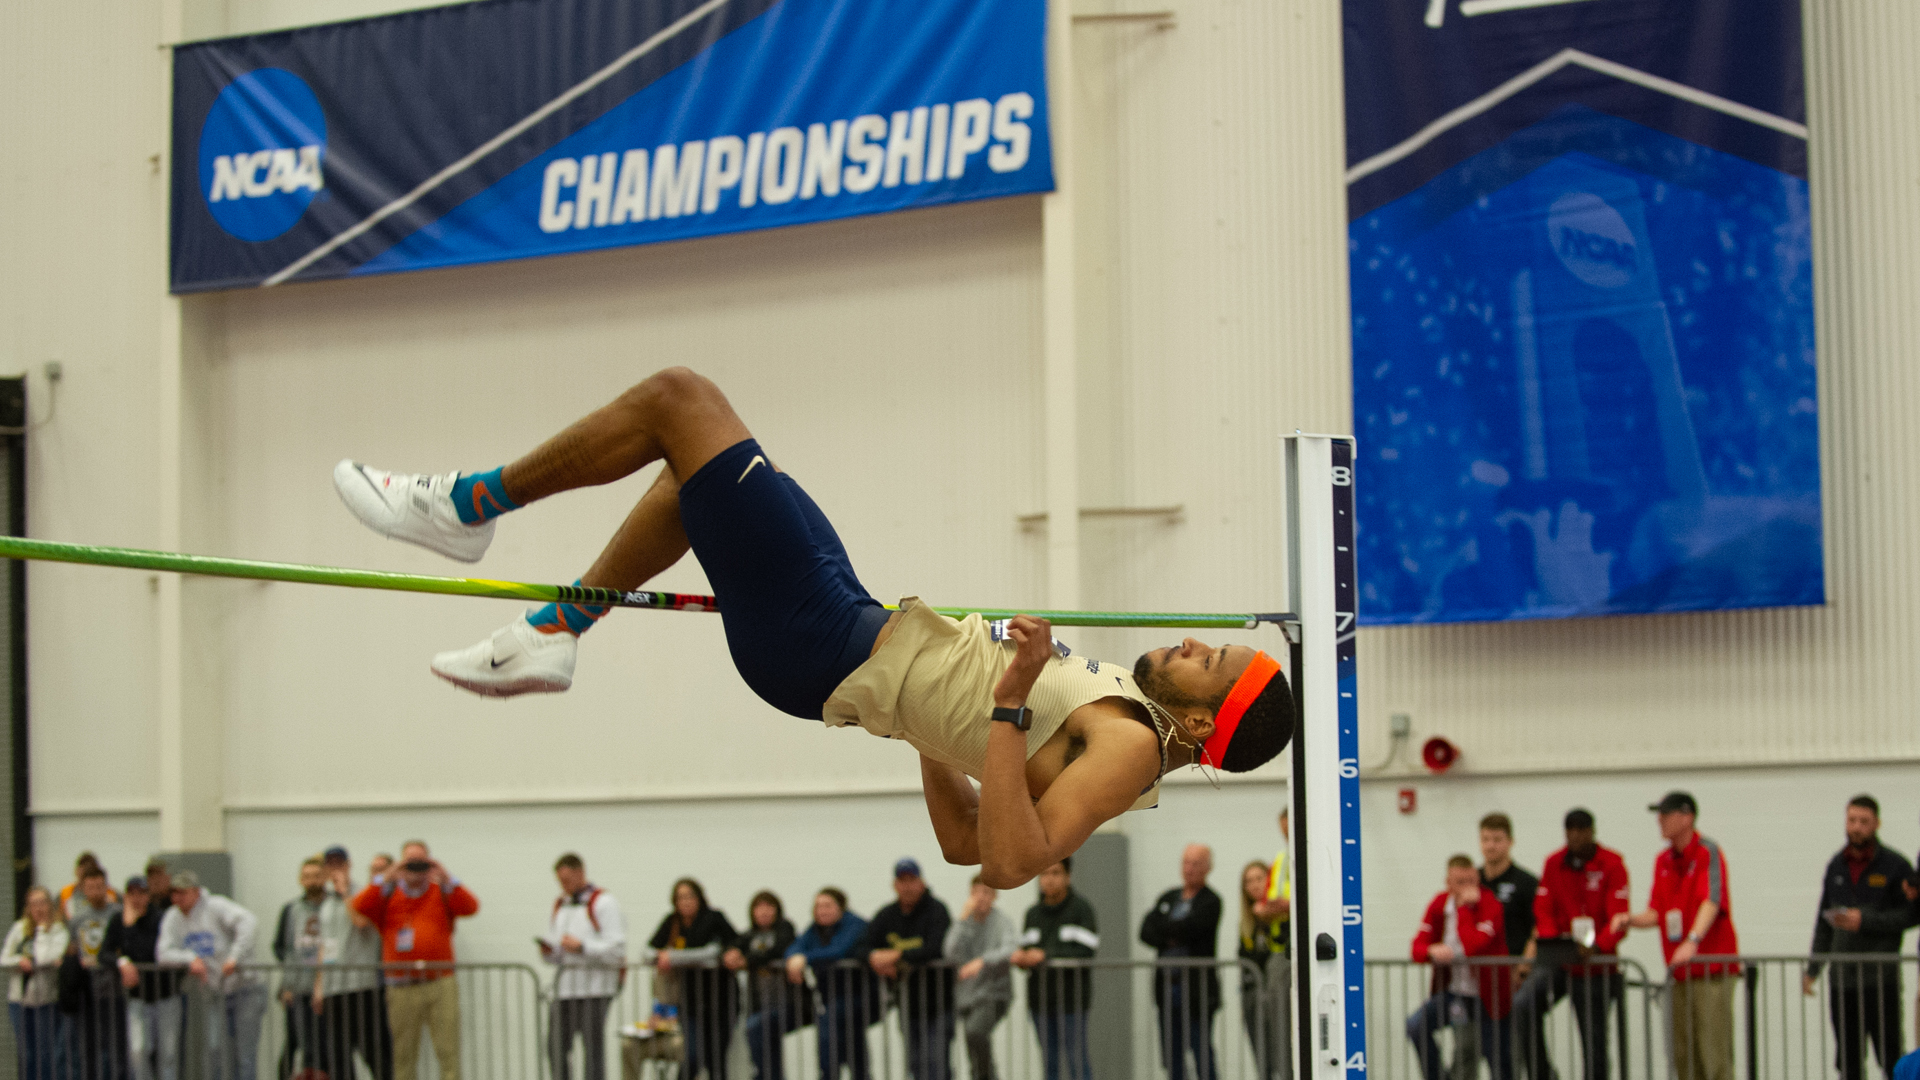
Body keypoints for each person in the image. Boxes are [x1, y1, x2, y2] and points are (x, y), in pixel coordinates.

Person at [333, 369, 1293, 885]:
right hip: (851, 627)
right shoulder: (1121, 720)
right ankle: (556, 631)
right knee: (693, 483)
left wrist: (999, 702)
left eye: (1216, 664)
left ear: (1206, 727)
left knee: (681, 400)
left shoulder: (1129, 749)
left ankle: (465, 505)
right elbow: (964, 838)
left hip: (820, 640)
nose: (1198, 644)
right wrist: (935, 724)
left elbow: (1005, 864)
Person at [1612, 792, 1740, 1080]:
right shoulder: (1663, 861)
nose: (1660, 820)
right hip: (1679, 972)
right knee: (1684, 1055)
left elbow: (1712, 900)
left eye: (1666, 814)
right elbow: (1657, 912)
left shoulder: (1708, 852)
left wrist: (1692, 940)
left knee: (1713, 1054)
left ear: (1686, 817)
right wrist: (1630, 920)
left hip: (1711, 970)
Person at [1512, 808, 1629, 1080]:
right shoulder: (1554, 863)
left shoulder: (1611, 864)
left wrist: (1597, 945)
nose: (1575, 836)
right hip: (1562, 960)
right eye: (1570, 830)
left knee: (1594, 1041)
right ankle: (1543, 1074)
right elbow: (1543, 908)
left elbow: (1618, 917)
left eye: (1581, 830)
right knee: (1524, 1004)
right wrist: (1557, 940)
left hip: (1596, 967)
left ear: (1591, 832)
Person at [1805, 795, 1916, 1080]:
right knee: (1848, 1058)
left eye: (1863, 822)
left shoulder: (1895, 866)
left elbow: (1911, 915)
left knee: (1890, 1054)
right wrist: (1814, 967)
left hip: (1881, 978)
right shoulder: (1835, 866)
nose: (1856, 827)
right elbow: (1823, 920)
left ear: (1876, 824)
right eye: (1852, 820)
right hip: (1843, 980)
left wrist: (1865, 921)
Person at [352, 840, 479, 1080]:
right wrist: (390, 874)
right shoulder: (388, 895)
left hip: (440, 984)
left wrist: (446, 877)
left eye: (421, 861)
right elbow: (360, 905)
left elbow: (470, 907)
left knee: (448, 1052)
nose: (416, 868)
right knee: (403, 1054)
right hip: (401, 986)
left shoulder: (441, 891)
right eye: (410, 861)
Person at [1406, 854, 1512, 1080]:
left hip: (1489, 997)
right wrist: (1430, 951)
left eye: (1471, 881)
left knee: (1497, 1057)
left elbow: (1474, 946)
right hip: (1457, 994)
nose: (1468, 888)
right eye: (1461, 882)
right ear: (1449, 883)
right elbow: (1417, 947)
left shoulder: (1489, 903)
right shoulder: (1439, 904)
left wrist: (1464, 910)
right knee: (1417, 1026)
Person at [158, 869, 268, 1080]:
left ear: (196, 892)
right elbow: (163, 953)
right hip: (215, 992)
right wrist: (189, 959)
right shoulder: (172, 917)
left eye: (183, 892)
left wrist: (234, 957)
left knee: (244, 1054)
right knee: (214, 1049)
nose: (177, 898)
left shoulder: (216, 906)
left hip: (246, 988)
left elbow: (249, 922)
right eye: (174, 893)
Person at [866, 858, 953, 1080]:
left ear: (921, 882)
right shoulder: (887, 915)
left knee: (936, 1064)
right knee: (915, 1064)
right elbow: (863, 944)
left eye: (912, 880)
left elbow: (936, 948)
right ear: (895, 885)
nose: (907, 886)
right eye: (902, 881)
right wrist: (874, 958)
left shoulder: (937, 910)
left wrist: (897, 956)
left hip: (939, 1004)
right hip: (907, 1004)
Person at [1142, 844, 1223, 1080]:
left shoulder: (1211, 901)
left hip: (1197, 992)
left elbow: (1193, 929)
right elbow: (1146, 931)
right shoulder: (1168, 897)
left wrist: (1165, 931)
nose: (1189, 868)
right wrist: (1173, 935)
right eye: (1186, 862)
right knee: (1171, 1057)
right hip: (1167, 990)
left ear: (1209, 867)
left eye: (1196, 863)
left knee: (1202, 1053)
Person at [543, 854, 626, 1080]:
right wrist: (549, 953)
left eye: (567, 880)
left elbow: (617, 949)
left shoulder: (603, 902)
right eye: (560, 881)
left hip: (595, 989)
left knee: (592, 1050)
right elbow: (559, 950)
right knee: (555, 1047)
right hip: (566, 989)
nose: (564, 886)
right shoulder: (561, 905)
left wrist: (583, 947)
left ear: (580, 873)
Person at [1014, 859, 1097, 1080]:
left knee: (1076, 1060)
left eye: (1055, 873)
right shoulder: (1032, 914)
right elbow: (1027, 948)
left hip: (1072, 1001)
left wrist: (1046, 955)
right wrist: (1022, 958)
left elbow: (1087, 951)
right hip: (1040, 1001)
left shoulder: (1081, 909)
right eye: (1044, 874)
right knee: (1049, 1062)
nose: (1049, 879)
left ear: (1068, 877)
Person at [648, 878, 736, 1080]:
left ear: (699, 898)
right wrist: (659, 957)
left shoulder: (714, 918)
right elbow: (649, 949)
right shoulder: (672, 922)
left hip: (721, 1001)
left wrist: (674, 957)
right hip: (690, 1002)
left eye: (690, 896)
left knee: (716, 1060)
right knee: (692, 1056)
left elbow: (714, 952)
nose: (686, 901)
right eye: (681, 897)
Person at [785, 888, 875, 1080]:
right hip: (831, 1000)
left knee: (840, 1048)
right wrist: (794, 957)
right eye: (818, 906)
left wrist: (805, 958)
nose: (822, 911)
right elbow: (796, 946)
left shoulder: (855, 925)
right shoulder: (815, 929)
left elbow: (838, 951)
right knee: (850, 1050)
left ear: (841, 907)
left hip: (859, 997)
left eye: (827, 906)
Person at [317, 848, 391, 1080]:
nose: (335, 869)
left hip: (362, 987)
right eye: (330, 865)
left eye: (339, 864)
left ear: (349, 865)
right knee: (338, 1056)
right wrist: (319, 986)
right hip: (333, 988)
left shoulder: (364, 893)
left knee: (375, 1054)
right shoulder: (326, 902)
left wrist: (345, 892)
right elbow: (325, 944)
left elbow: (360, 922)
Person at [106, 877, 183, 1080]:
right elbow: (104, 953)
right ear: (126, 896)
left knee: (168, 1053)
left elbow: (150, 952)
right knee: (138, 1050)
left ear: (148, 896)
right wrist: (121, 962)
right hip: (137, 997)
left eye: (141, 893)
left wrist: (130, 928)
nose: (137, 898)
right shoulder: (118, 919)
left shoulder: (161, 918)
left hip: (165, 994)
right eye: (132, 894)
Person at [1476, 812, 1536, 1076]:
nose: (1491, 845)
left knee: (1512, 1048)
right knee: (1472, 1046)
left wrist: (1523, 967)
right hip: (1479, 979)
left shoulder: (1525, 882)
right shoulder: (1473, 880)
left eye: (1497, 839)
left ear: (1510, 842)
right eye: (1486, 839)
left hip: (1512, 978)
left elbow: (1539, 929)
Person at [944, 876, 1018, 1080]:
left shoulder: (1002, 922)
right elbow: (949, 951)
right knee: (972, 1046)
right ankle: (981, 1075)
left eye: (986, 893)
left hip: (994, 994)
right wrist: (961, 918)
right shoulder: (964, 922)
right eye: (976, 892)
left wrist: (983, 961)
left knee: (975, 1031)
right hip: (967, 995)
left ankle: (988, 1075)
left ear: (995, 896)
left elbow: (1010, 949)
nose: (981, 898)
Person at [725, 891, 803, 1080]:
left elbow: (777, 950)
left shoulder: (785, 929)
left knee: (755, 1028)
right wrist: (731, 953)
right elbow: (733, 944)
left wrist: (748, 961)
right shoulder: (750, 935)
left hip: (786, 1003)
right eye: (759, 907)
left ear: (777, 910)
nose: (764, 912)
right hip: (759, 1004)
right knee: (767, 1045)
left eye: (769, 907)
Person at [5, 885, 72, 1080]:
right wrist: (19, 961)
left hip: (46, 1001)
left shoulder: (58, 930)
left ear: (50, 905)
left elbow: (45, 958)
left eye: (42, 902)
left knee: (46, 1053)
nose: (38, 908)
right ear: (28, 907)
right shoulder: (19, 928)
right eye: (33, 904)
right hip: (19, 1000)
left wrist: (42, 930)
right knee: (26, 1054)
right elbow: (3, 958)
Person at [273, 857, 330, 1079]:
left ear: (324, 878)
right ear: (300, 880)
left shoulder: (334, 906)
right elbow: (282, 948)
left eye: (316, 876)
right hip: (297, 989)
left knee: (323, 1045)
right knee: (296, 1041)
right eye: (307, 877)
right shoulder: (291, 909)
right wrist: (286, 984)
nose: (312, 881)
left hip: (326, 989)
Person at [67, 862, 124, 1080]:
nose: (96, 892)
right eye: (90, 887)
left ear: (107, 886)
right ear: (83, 889)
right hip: (88, 991)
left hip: (115, 989)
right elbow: (72, 951)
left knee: (116, 1047)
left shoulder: (118, 914)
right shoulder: (77, 920)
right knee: (89, 1047)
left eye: (100, 886)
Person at [1238, 860, 1287, 1079]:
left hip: (1276, 993)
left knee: (1282, 1050)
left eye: (1259, 878)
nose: (1255, 885)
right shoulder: (1246, 923)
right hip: (1253, 996)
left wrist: (1267, 915)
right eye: (1249, 881)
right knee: (1261, 1055)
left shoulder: (1279, 916)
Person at [1254, 809, 1292, 1080]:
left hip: (1302, 951)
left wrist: (1288, 907)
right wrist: (1277, 908)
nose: (1287, 836)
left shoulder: (1316, 855)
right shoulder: (1280, 860)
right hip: (1280, 950)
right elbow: (1265, 906)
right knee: (1278, 1024)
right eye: (1284, 831)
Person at [60, 853, 120, 920]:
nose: (95, 892)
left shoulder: (112, 894)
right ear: (76, 870)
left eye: (98, 887)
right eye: (91, 887)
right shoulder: (67, 893)